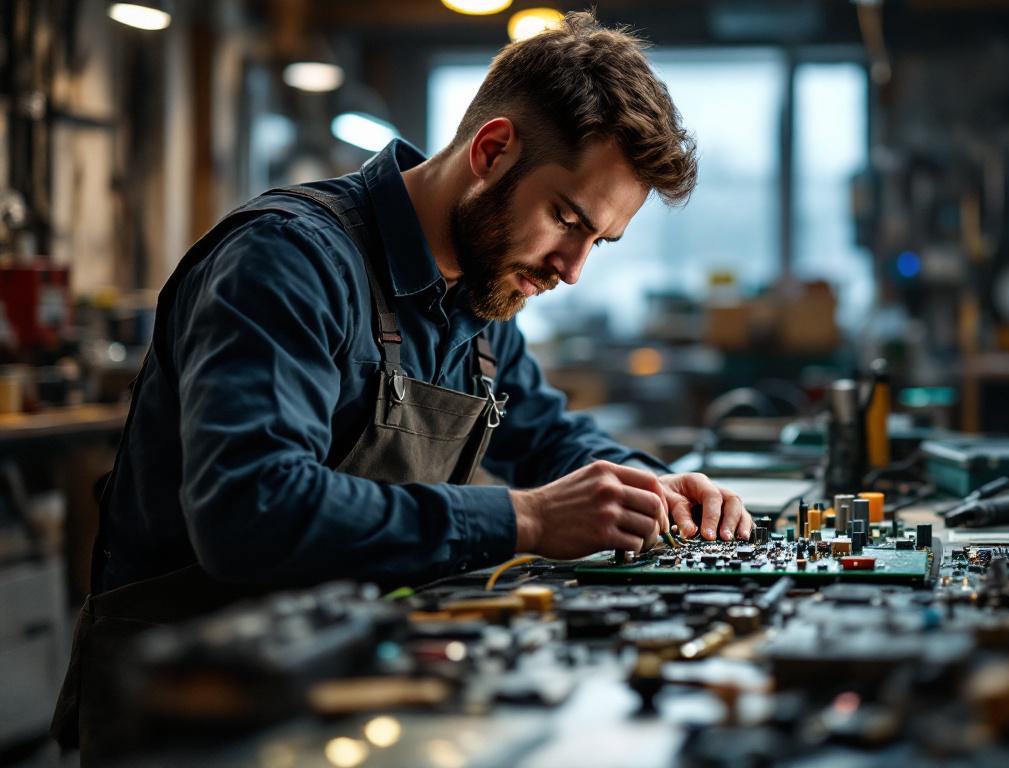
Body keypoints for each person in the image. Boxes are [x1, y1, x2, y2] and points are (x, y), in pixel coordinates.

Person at [53, 11, 751, 759]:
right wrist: (523, 520)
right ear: (492, 149)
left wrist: (652, 486)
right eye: (565, 218)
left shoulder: (480, 302)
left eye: (598, 242)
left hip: (340, 680)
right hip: (188, 711)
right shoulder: (289, 261)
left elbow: (549, 436)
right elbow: (252, 510)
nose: (572, 268)